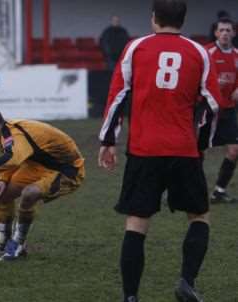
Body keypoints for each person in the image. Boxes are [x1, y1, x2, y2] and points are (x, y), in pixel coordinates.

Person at [98, 1, 225, 301]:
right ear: (183, 19)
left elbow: (117, 96)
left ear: (154, 18)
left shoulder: (135, 48)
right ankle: (187, 282)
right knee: (199, 216)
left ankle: (130, 297)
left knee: (137, 222)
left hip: (144, 150)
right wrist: (202, 142)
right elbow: (213, 103)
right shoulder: (198, 52)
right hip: (183, 149)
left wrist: (107, 141)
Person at [0, 106, 85, 261]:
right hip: (37, 165)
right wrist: (2, 179)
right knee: (1, 195)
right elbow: (16, 156)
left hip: (66, 170)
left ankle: (17, 244)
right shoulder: (6, 131)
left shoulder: (15, 134)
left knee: (29, 194)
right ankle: (3, 245)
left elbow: (14, 158)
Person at [205, 18, 238, 203]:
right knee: (195, 151)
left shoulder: (236, 55)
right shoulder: (207, 52)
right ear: (216, 33)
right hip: (209, 110)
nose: (225, 33)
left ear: (233, 33)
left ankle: (219, 190)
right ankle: (175, 188)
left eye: (228, 30)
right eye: (222, 30)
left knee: (234, 150)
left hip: (229, 111)